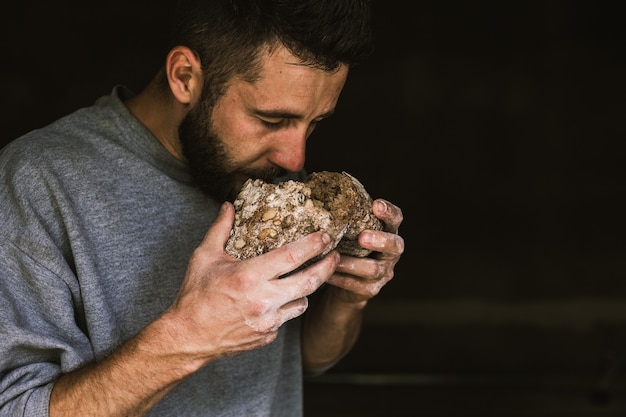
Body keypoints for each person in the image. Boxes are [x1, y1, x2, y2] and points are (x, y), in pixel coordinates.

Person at [0, 0, 405, 416]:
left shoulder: (278, 182)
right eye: (270, 120)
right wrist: (189, 336)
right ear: (185, 77)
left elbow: (298, 361)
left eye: (315, 122)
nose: (295, 158)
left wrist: (347, 300)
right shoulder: (38, 183)